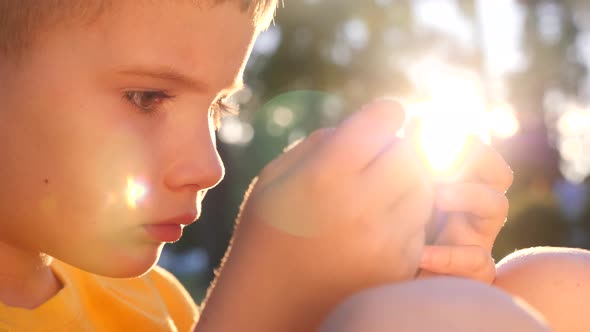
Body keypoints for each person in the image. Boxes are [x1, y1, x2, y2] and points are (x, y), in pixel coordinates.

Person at [0, 1, 552, 331]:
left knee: (550, 285)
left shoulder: (152, 300)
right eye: (147, 97)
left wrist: (394, 292)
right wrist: (258, 311)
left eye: (220, 106)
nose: (209, 166)